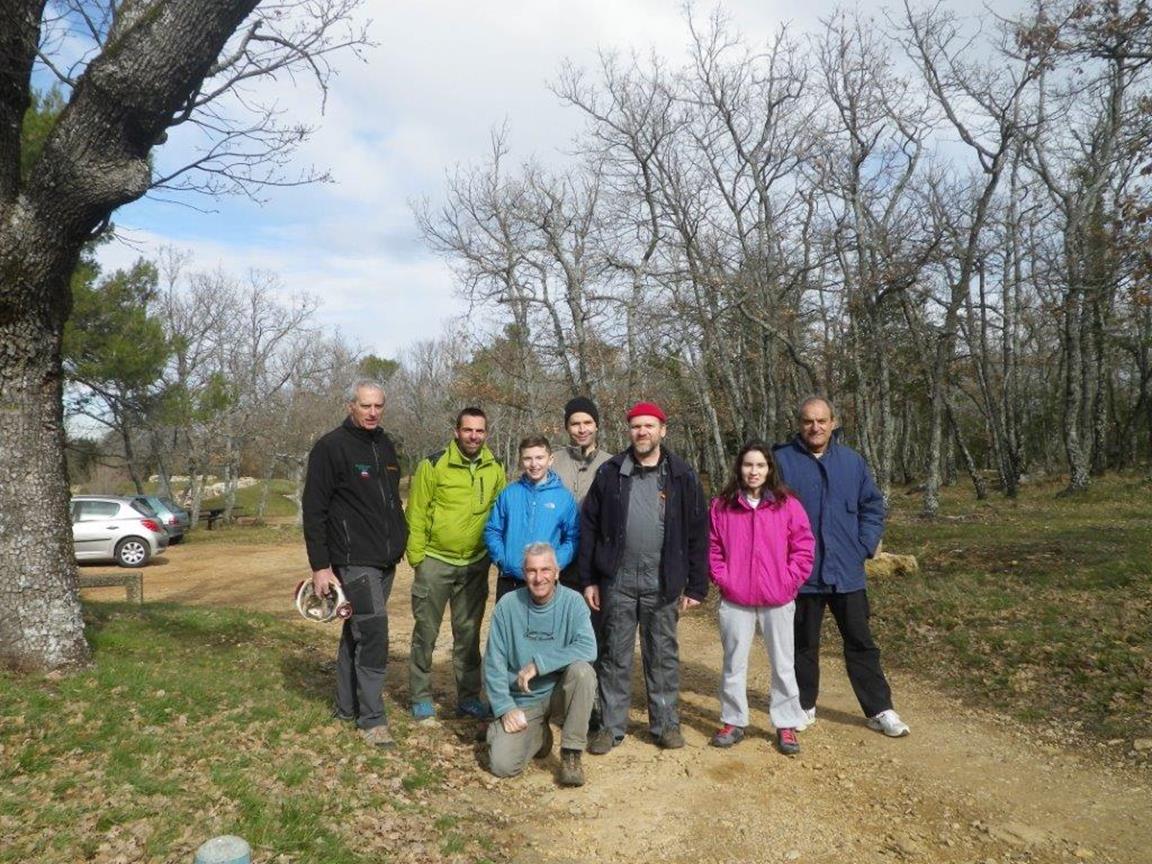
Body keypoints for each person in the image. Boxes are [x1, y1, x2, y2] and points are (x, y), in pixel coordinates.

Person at [773, 396, 910, 737]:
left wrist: (863, 545)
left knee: (861, 642)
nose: (815, 427)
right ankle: (803, 705)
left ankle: (879, 709)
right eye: (808, 421)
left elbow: (872, 506)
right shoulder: (781, 461)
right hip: (802, 573)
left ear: (834, 422)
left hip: (846, 572)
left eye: (821, 421)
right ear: (799, 424)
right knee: (803, 643)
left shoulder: (852, 462)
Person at [580, 401, 709, 754]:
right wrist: (590, 578)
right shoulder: (610, 473)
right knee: (614, 654)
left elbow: (699, 531)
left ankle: (666, 723)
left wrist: (697, 584)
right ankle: (610, 725)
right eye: (636, 426)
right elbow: (589, 527)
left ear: (662, 430)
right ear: (629, 431)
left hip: (662, 580)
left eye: (649, 426)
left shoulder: (682, 475)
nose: (642, 432)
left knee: (662, 654)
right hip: (617, 581)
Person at [302, 379, 408, 747]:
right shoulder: (331, 447)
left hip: (386, 561)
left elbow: (390, 500)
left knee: (357, 632)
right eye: (366, 406)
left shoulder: (385, 444)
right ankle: (372, 720)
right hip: (354, 561)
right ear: (351, 405)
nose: (373, 412)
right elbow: (313, 510)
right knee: (375, 633)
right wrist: (320, 566)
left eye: (378, 406)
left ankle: (346, 707)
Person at [708, 441, 814, 755]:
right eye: (748, 465)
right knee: (733, 663)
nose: (753, 472)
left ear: (769, 470)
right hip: (736, 598)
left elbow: (804, 548)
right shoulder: (722, 505)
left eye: (760, 466)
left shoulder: (787, 504)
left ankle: (786, 724)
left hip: (778, 598)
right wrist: (724, 578)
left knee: (783, 664)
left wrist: (790, 579)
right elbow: (712, 548)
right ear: (739, 468)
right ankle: (733, 720)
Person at [406, 407, 506, 722]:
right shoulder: (433, 465)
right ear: (456, 431)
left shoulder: (495, 467)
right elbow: (417, 511)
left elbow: (498, 514)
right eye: (468, 430)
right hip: (436, 560)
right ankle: (420, 695)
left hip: (475, 564)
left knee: (468, 634)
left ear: (486, 433)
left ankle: (468, 697)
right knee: (426, 632)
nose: (473, 436)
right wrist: (418, 558)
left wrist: (492, 554)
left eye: (479, 431)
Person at [484, 542, 597, 786]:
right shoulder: (507, 606)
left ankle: (571, 754)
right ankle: (537, 735)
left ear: (557, 572)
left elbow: (589, 648)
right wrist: (504, 708)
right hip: (523, 700)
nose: (539, 578)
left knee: (583, 672)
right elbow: (493, 663)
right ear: (524, 574)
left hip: (560, 694)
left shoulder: (574, 603)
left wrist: (539, 664)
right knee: (502, 765)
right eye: (532, 571)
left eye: (546, 570)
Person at [484, 435, 580, 601]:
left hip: (546, 583)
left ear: (550, 460)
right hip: (511, 580)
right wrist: (502, 559)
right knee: (509, 627)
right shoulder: (509, 493)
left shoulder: (564, 498)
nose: (534, 464)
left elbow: (573, 537)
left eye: (539, 458)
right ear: (521, 461)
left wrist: (556, 563)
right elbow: (493, 530)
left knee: (546, 627)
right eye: (528, 459)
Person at [552, 396, 611, 594]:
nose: (582, 429)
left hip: (596, 560)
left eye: (587, 422)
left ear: (596, 426)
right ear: (567, 427)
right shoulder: (551, 462)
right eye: (575, 424)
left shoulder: (612, 464)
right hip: (557, 559)